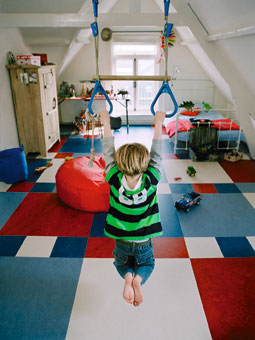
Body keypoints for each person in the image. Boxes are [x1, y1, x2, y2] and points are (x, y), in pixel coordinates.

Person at [99, 110, 166, 307]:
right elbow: (158, 155)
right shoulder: (151, 180)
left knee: (121, 262)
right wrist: (159, 123)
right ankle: (137, 280)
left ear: (119, 164)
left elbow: (108, 151)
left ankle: (128, 277)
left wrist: (106, 123)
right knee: (147, 264)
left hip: (122, 240)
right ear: (144, 165)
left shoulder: (113, 178)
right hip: (144, 240)